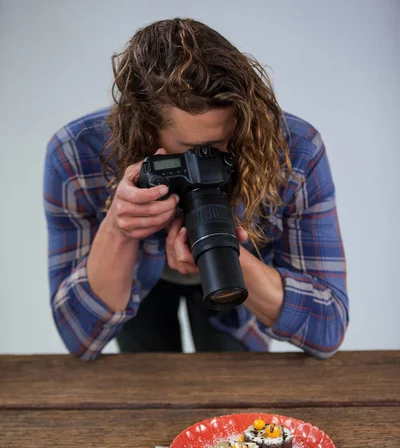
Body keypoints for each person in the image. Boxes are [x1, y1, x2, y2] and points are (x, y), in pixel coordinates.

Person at [44, 18, 349, 361]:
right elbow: (81, 338)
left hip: (236, 287)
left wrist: (222, 251)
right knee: (147, 380)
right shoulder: (75, 154)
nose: (218, 159)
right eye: (198, 149)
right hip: (136, 285)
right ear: (144, 128)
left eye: (230, 141)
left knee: (232, 385)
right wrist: (119, 228)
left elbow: (328, 328)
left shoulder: (293, 150)